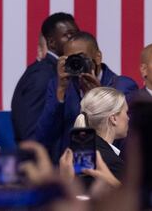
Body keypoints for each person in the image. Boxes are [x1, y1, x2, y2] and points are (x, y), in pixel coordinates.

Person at [33, 30, 138, 161]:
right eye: (71, 60)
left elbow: (128, 138)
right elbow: (42, 137)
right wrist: (60, 92)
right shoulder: (58, 85)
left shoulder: (122, 86)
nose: (77, 63)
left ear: (98, 57)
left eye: (81, 58)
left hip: (111, 166)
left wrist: (100, 97)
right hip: (71, 170)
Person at [11, 12, 79, 142]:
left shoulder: (63, 72)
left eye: (76, 35)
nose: (74, 40)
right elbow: (31, 136)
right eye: (68, 35)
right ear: (52, 43)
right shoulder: (42, 76)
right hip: (47, 161)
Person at [70, 86, 129, 181]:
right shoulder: (111, 163)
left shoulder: (81, 154)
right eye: (126, 112)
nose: (128, 118)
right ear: (113, 118)